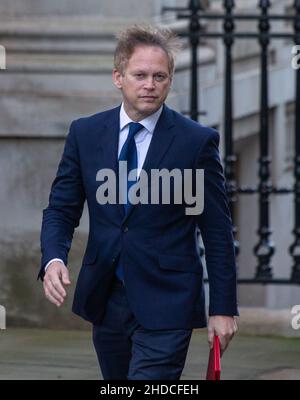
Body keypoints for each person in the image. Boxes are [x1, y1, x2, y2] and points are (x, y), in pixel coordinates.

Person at [38, 25, 238, 380]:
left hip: (169, 300)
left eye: (160, 76)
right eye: (140, 75)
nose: (150, 84)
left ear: (170, 80)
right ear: (119, 77)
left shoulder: (195, 142)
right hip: (107, 297)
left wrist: (223, 308)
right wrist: (54, 258)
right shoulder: (85, 133)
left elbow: (217, 231)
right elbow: (61, 209)